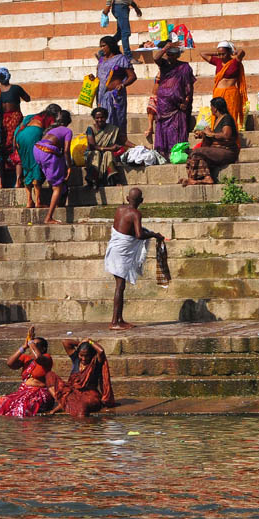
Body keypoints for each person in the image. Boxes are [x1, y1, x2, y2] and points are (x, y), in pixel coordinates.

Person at [105, 188, 164, 330]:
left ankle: (119, 319)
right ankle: (115, 322)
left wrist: (147, 232)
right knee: (119, 286)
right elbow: (138, 235)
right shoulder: (136, 214)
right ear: (141, 201)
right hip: (121, 253)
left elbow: (126, 228)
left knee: (121, 286)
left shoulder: (119, 209)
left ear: (127, 198)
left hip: (114, 249)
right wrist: (154, 235)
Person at [0, 326, 55, 417]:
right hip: (24, 392)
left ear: (43, 349)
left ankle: (27, 428)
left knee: (24, 405)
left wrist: (31, 341)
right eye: (32, 344)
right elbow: (10, 363)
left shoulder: (46, 358)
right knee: (3, 401)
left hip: (40, 394)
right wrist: (23, 347)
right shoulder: (27, 358)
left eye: (36, 345)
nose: (32, 347)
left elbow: (38, 357)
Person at [147, 41, 196, 155]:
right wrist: (166, 47)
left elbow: (189, 86)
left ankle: (178, 152)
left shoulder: (184, 67)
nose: (171, 57)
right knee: (163, 128)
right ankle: (163, 152)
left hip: (179, 105)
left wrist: (187, 101)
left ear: (178, 55)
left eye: (173, 55)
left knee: (177, 129)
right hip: (164, 104)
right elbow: (156, 58)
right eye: (169, 55)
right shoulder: (164, 65)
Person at [47, 339, 115, 417]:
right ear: (78, 354)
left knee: (81, 406)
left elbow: (101, 351)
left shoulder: (95, 362)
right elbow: (65, 342)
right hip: (72, 392)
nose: (84, 358)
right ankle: (63, 404)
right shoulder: (76, 359)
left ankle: (65, 406)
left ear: (91, 354)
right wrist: (82, 343)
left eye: (87, 356)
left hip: (89, 394)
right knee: (49, 376)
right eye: (81, 355)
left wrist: (90, 341)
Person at [180, 97, 240, 186]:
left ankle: (193, 179)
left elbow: (226, 135)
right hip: (217, 149)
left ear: (215, 108)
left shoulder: (227, 118)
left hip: (228, 151)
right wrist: (203, 134)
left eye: (211, 106)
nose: (210, 109)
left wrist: (210, 134)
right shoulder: (217, 119)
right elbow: (214, 136)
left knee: (197, 152)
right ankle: (205, 178)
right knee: (193, 153)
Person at [0, 67, 31, 188]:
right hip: (15, 121)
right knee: (16, 147)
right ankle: (18, 180)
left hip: (0, 123)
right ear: (9, 76)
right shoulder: (16, 88)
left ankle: (0, 181)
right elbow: (28, 99)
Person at [14, 103, 60, 208]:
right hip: (33, 136)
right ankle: (38, 201)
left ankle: (29, 200)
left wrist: (15, 142)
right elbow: (51, 134)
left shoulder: (32, 116)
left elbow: (19, 128)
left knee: (26, 166)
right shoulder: (51, 119)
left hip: (20, 137)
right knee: (35, 166)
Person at [32, 110, 74, 224]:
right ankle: (49, 217)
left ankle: (58, 195)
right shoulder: (68, 131)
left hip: (37, 150)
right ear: (68, 121)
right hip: (48, 152)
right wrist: (69, 166)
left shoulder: (52, 129)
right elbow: (66, 150)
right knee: (57, 187)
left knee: (56, 179)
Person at [92, 35, 136, 134]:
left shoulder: (121, 59)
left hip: (115, 96)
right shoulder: (101, 60)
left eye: (104, 46)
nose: (102, 49)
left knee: (117, 122)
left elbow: (132, 76)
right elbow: (99, 77)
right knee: (102, 122)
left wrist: (123, 85)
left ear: (110, 46)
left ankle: (119, 145)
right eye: (100, 46)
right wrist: (92, 80)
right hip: (101, 96)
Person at [201, 41, 248, 130]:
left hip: (231, 93)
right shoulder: (218, 61)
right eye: (220, 54)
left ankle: (230, 138)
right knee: (216, 115)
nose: (221, 56)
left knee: (230, 115)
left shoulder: (235, 61)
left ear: (229, 52)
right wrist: (217, 53)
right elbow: (202, 54)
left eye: (224, 54)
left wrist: (234, 52)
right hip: (218, 92)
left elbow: (242, 52)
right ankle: (216, 137)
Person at [84, 106, 133, 189]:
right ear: (94, 118)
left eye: (102, 117)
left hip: (107, 153)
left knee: (108, 154)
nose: (100, 120)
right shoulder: (90, 129)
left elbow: (124, 141)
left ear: (106, 117)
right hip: (93, 153)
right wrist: (110, 148)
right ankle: (93, 180)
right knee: (97, 154)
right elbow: (92, 146)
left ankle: (113, 179)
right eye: (97, 118)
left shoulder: (113, 129)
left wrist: (136, 146)